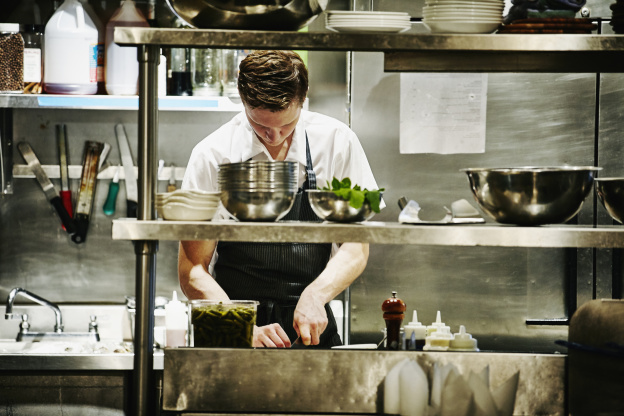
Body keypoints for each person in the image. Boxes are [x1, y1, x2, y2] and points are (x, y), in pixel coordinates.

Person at [178, 50, 382, 348]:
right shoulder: (212, 154)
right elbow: (192, 269)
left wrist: (315, 296)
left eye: (286, 125)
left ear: (303, 99)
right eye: (260, 125)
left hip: (311, 323)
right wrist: (239, 322)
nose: (274, 137)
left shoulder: (337, 142)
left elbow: (354, 248)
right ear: (242, 100)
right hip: (234, 323)